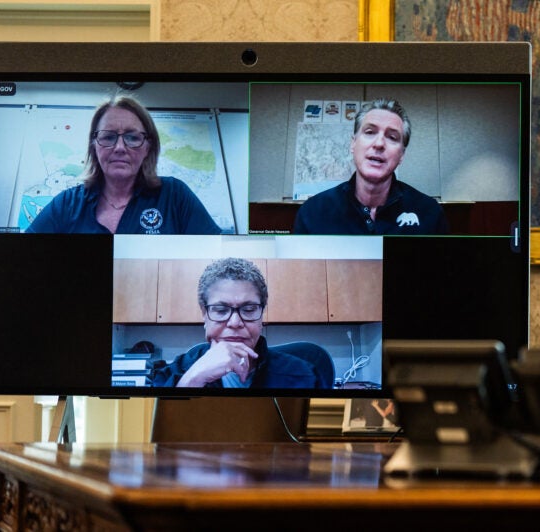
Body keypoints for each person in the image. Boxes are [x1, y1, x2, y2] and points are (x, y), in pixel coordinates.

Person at [26, 95, 220, 234]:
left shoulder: (175, 195)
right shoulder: (67, 204)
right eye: (108, 137)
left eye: (132, 137)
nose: (119, 147)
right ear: (94, 146)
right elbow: (24, 257)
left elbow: (216, 258)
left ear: (147, 147)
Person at [150, 258, 326, 389]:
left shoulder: (306, 376)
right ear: (204, 314)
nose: (235, 323)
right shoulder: (173, 374)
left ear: (261, 315)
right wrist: (193, 380)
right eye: (220, 310)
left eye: (248, 309)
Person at [292, 98, 449, 235]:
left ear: (401, 155)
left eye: (392, 137)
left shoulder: (429, 213)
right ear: (353, 143)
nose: (379, 143)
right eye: (370, 132)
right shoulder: (313, 212)